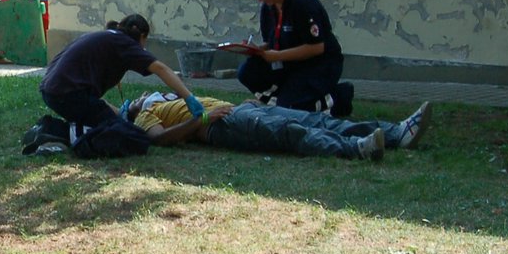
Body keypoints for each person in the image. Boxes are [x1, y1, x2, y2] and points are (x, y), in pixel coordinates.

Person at [127, 90, 432, 161]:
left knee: (314, 118)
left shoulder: (167, 96)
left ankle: (396, 133)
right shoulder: (143, 115)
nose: (141, 95)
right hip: (220, 125)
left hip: (238, 112)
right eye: (135, 98)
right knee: (289, 133)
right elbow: (159, 140)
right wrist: (203, 118)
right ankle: (357, 149)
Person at [39, 13, 205, 129]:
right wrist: (189, 98)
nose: (143, 47)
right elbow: (161, 69)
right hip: (66, 95)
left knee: (107, 120)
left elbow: (92, 103)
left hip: (52, 91)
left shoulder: (108, 38)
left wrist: (121, 114)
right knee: (129, 135)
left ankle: (70, 129)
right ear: (141, 35)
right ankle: (60, 132)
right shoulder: (124, 43)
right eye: (144, 41)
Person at [236, 0, 352, 115]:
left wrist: (277, 56)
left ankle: (338, 98)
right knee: (247, 71)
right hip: (288, 64)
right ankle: (281, 100)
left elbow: (317, 47)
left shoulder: (303, 4)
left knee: (291, 110)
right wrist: (256, 50)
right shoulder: (268, 8)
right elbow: (273, 41)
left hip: (317, 66)